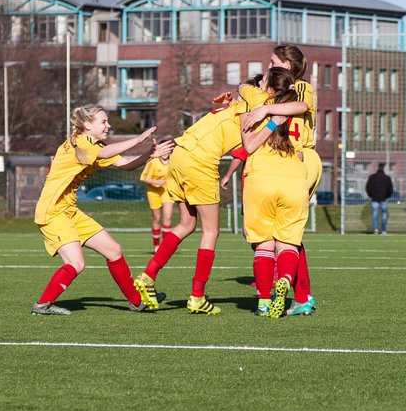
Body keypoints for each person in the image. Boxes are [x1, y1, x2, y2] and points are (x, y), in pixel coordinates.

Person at [31, 107, 173, 315]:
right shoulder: (79, 142)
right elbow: (106, 153)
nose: (109, 125)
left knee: (114, 251)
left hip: (70, 210)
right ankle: (43, 304)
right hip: (53, 212)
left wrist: (149, 155)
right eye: (104, 122)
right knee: (76, 263)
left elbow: (125, 164)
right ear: (87, 125)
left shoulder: (95, 146)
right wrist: (137, 139)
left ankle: (136, 302)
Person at [220, 44, 321, 315]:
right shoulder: (274, 93)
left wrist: (262, 109)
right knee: (288, 232)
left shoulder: (297, 89)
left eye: (272, 61)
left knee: (277, 233)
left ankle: (289, 293)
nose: (268, 65)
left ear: (286, 66)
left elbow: (302, 104)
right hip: (289, 161)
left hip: (297, 158)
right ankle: (295, 290)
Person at [134, 96, 252, 315]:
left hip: (180, 153)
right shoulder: (255, 107)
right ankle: (197, 296)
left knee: (187, 224)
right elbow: (250, 144)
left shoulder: (237, 104)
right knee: (211, 230)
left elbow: (242, 92)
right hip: (200, 161)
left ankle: (148, 275)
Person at [238, 67, 310, 317]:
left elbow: (249, 145)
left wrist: (266, 114)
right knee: (289, 241)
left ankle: (264, 302)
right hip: (294, 178)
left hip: (261, 179)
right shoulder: (296, 105)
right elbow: (302, 106)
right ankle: (287, 279)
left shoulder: (254, 101)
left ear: (266, 86)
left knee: (264, 244)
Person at [139, 150, 173, 251]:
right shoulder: (153, 161)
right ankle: (156, 245)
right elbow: (143, 178)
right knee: (157, 218)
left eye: (167, 150)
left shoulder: (174, 161)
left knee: (167, 216)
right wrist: (156, 181)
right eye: (163, 150)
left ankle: (166, 247)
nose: (165, 152)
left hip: (167, 191)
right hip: (153, 192)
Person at [366, 163, 394, 234]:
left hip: (374, 198)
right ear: (384, 168)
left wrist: (371, 195)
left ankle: (376, 229)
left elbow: (367, 188)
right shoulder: (387, 178)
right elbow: (390, 189)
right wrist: (387, 196)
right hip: (384, 199)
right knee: (384, 214)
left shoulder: (372, 177)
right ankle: (383, 230)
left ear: (377, 168)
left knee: (375, 214)